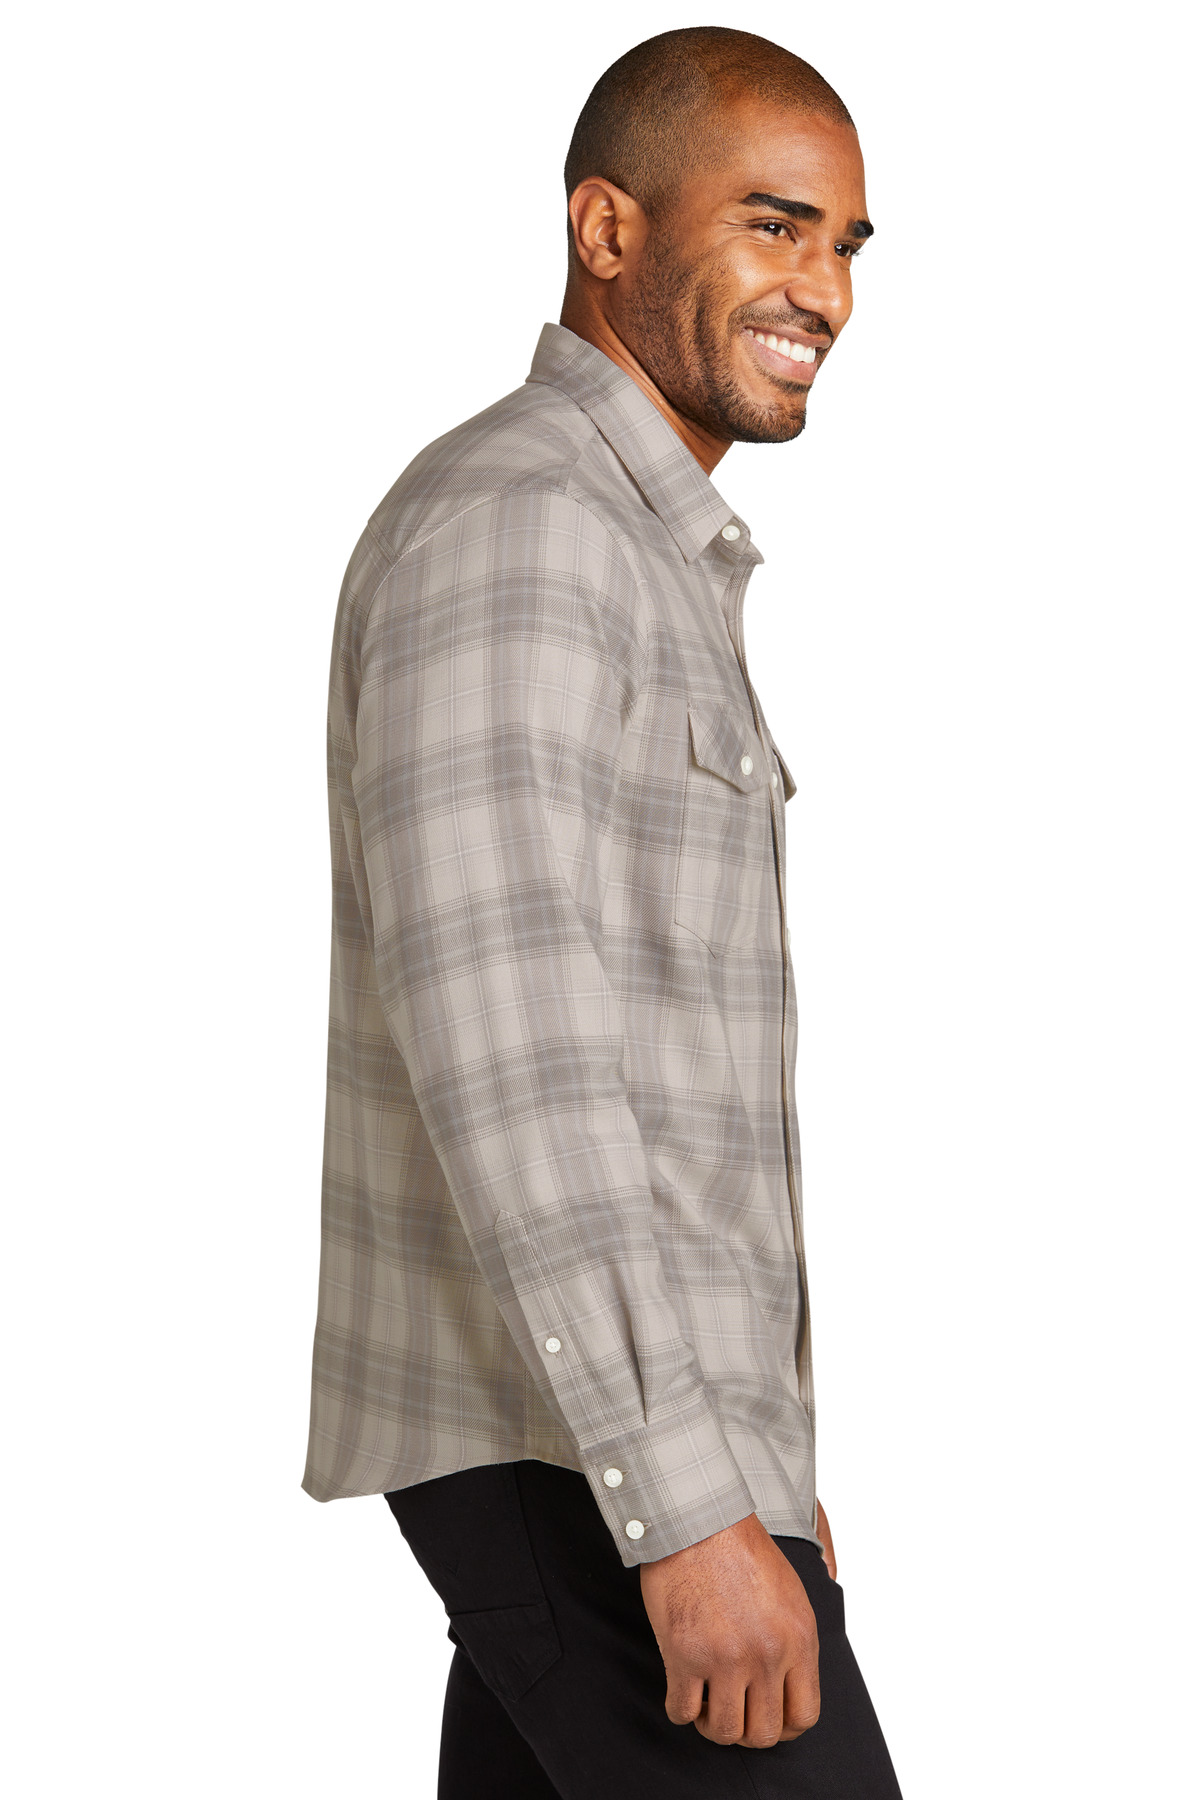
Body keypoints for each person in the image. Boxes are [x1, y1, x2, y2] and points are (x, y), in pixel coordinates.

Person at [303, 25, 902, 1798]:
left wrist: (764, 1472)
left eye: (846, 246)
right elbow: (518, 1057)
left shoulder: (639, 548)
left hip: (622, 1447)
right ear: (608, 228)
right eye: (774, 225)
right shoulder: (529, 527)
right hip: (579, 1456)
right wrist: (692, 1503)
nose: (825, 292)